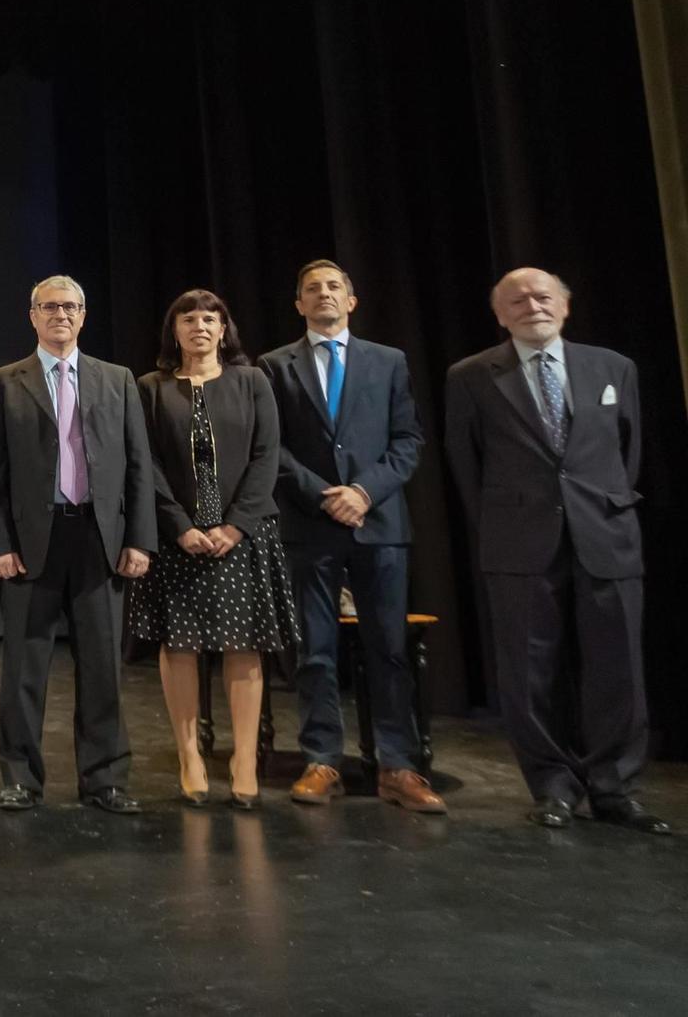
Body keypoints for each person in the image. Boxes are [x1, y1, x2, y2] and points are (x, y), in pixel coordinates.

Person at [444, 268, 669, 834]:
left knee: (619, 668)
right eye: (516, 300)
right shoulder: (471, 376)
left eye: (543, 297)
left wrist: (601, 502)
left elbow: (628, 447)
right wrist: (508, 519)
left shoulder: (613, 367)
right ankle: (553, 787)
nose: (531, 306)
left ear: (565, 307)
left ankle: (616, 788)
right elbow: (465, 464)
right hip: (518, 541)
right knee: (529, 673)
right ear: (500, 315)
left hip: (606, 533)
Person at [260, 260, 444, 813]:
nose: (323, 294)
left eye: (333, 286)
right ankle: (322, 761)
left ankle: (397, 766)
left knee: (387, 650)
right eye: (311, 289)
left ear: (352, 299)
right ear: (298, 305)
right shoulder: (275, 366)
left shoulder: (388, 362)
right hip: (310, 526)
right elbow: (274, 449)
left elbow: (408, 440)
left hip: (379, 523)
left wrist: (362, 492)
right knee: (315, 652)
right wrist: (326, 494)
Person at [0, 276, 154, 815]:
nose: (61, 314)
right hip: (33, 541)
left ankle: (105, 779)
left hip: (100, 540)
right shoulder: (4, 383)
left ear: (84, 315)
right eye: (50, 306)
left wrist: (140, 539)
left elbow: (139, 467)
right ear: (32, 315)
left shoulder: (117, 379)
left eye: (71, 306)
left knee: (103, 666)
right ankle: (20, 778)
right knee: (24, 667)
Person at [128, 290, 298, 809]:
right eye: (188, 319)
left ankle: (244, 760)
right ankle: (190, 758)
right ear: (172, 331)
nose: (199, 327)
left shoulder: (253, 382)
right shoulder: (150, 388)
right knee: (179, 646)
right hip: (177, 537)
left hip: (241, 537)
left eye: (210, 319)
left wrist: (238, 525)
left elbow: (268, 456)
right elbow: (146, 464)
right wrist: (178, 524)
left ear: (224, 330)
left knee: (244, 648)